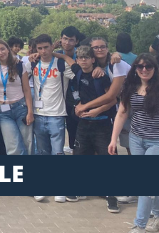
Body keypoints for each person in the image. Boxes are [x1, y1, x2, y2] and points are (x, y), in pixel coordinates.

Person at [109, 54, 159, 233]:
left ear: (155, 69)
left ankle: (139, 225)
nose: (144, 70)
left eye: (148, 66)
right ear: (135, 69)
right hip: (136, 139)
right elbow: (122, 113)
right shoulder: (130, 88)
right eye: (140, 67)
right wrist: (113, 139)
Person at [67, 45, 118, 211]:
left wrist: (97, 110)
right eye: (80, 58)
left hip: (102, 123)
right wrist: (77, 106)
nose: (83, 60)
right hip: (84, 123)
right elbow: (74, 92)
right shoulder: (78, 73)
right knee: (80, 156)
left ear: (93, 59)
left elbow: (112, 99)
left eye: (86, 57)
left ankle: (112, 196)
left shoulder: (101, 76)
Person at [30, 34, 70, 203]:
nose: (43, 51)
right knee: (42, 153)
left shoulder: (61, 64)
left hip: (57, 114)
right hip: (39, 114)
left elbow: (79, 70)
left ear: (52, 46)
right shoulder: (32, 63)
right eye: (40, 48)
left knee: (58, 152)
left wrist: (62, 55)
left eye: (46, 47)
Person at [0, 39, 33, 155]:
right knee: (12, 146)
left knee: (28, 143)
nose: (0, 52)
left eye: (2, 49)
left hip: (20, 107)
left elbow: (27, 89)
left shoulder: (19, 65)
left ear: (8, 49)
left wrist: (30, 111)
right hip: (3, 111)